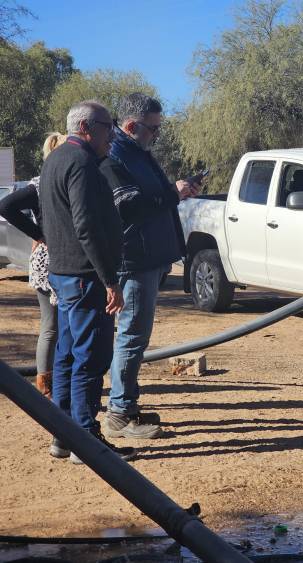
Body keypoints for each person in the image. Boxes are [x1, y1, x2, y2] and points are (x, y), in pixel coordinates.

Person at [98, 93, 200, 439]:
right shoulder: (115, 156)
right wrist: (174, 192)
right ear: (131, 126)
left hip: (150, 259)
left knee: (134, 337)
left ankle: (126, 405)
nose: (157, 134)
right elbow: (130, 207)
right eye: (153, 129)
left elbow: (150, 200)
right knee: (131, 337)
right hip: (135, 261)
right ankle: (120, 414)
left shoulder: (136, 153)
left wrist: (176, 192)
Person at [39, 100, 134, 463]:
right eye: (108, 126)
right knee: (90, 357)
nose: (112, 134)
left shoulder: (55, 160)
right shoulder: (80, 164)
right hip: (83, 277)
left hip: (64, 275)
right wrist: (109, 280)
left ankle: (63, 436)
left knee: (66, 354)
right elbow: (85, 225)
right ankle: (84, 438)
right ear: (86, 128)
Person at [0, 132, 66, 399]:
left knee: (63, 325)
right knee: (51, 325)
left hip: (63, 258)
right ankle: (45, 383)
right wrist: (39, 234)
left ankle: (59, 379)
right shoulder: (41, 185)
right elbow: (6, 206)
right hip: (49, 260)